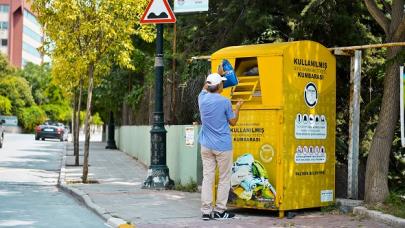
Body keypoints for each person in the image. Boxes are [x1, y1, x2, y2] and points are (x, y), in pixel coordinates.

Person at [198, 72, 243, 220]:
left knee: (208, 178)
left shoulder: (202, 98)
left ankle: (206, 211)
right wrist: (238, 108)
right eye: (222, 83)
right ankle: (220, 211)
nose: (223, 85)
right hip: (223, 146)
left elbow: (206, 86)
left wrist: (215, 75)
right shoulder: (224, 102)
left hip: (206, 145)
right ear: (219, 86)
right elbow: (233, 122)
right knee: (224, 179)